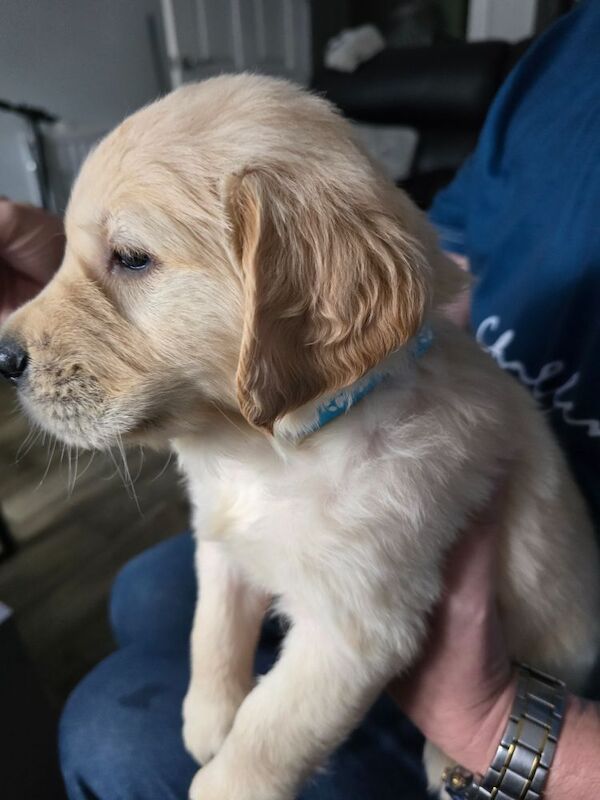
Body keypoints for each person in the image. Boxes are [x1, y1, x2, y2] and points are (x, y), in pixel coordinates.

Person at [1, 1, 599, 795]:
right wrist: (84, 277)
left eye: (132, 257)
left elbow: (348, 638)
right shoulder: (574, 47)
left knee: (115, 726)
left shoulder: (400, 453)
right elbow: (434, 254)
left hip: (526, 682)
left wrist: (491, 724)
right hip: (334, 426)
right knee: (147, 598)